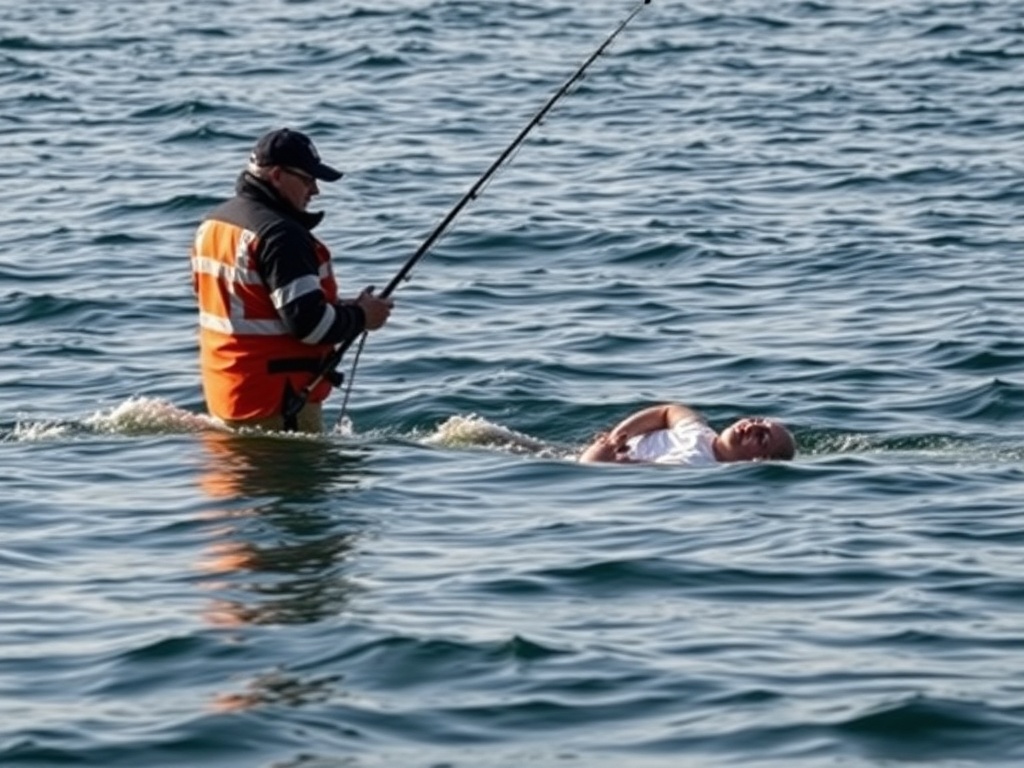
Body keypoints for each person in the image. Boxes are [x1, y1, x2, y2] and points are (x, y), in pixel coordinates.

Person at [190, 127, 393, 432]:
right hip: (279, 404)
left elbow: (255, 304)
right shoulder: (281, 235)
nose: (315, 190)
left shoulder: (215, 222)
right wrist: (363, 316)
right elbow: (309, 326)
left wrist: (345, 308)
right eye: (307, 179)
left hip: (229, 396)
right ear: (276, 175)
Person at [579, 403, 795, 465]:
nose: (751, 427)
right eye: (756, 421)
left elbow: (642, 473)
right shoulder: (698, 429)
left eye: (761, 437)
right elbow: (667, 411)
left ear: (757, 461)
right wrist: (619, 436)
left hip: (600, 464)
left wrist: (606, 455)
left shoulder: (696, 465)